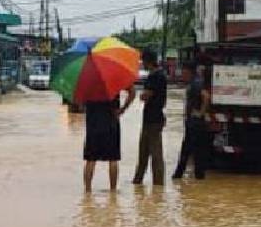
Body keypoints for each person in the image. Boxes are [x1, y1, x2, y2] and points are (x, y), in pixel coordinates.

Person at [83, 84, 136, 192]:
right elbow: (132, 92)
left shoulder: (88, 78)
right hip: (111, 122)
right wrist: (123, 109)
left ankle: (87, 192)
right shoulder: (115, 77)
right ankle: (113, 192)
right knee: (113, 158)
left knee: (91, 159)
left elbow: (78, 101)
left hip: (93, 123)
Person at [131, 49, 167, 185]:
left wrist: (142, 95)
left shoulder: (154, 76)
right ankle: (138, 181)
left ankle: (157, 184)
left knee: (154, 154)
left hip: (152, 119)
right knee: (144, 152)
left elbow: (146, 95)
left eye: (143, 61)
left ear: (148, 61)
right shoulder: (160, 75)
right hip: (154, 118)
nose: (142, 64)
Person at [173, 61, 212, 180]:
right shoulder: (193, 82)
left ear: (188, 71)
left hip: (196, 123)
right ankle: (179, 175)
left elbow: (206, 97)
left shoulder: (196, 83)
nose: (181, 74)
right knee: (188, 149)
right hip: (192, 121)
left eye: (183, 71)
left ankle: (195, 176)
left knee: (195, 151)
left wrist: (200, 113)